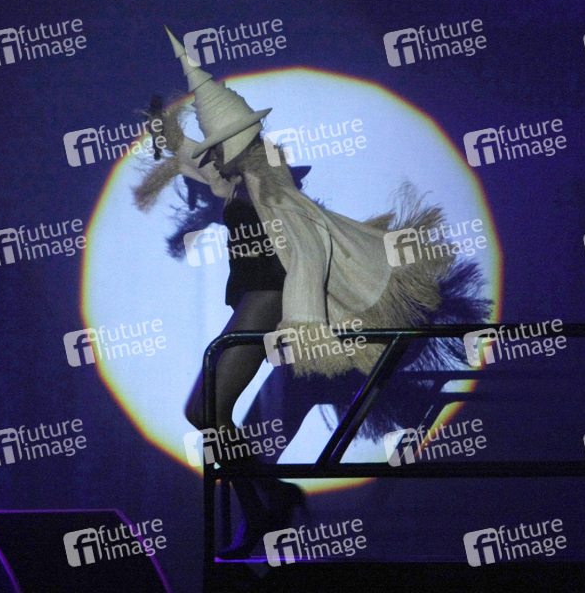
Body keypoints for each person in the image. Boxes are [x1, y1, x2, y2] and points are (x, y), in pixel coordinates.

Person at [132, 28, 491, 559]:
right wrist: (168, 133)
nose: (210, 161)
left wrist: (305, 325)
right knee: (208, 415)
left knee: (205, 412)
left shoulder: (266, 183)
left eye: (215, 148)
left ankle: (268, 504)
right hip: (260, 301)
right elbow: (197, 166)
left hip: (267, 301)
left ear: (233, 147)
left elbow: (308, 248)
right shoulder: (241, 177)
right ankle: (266, 506)